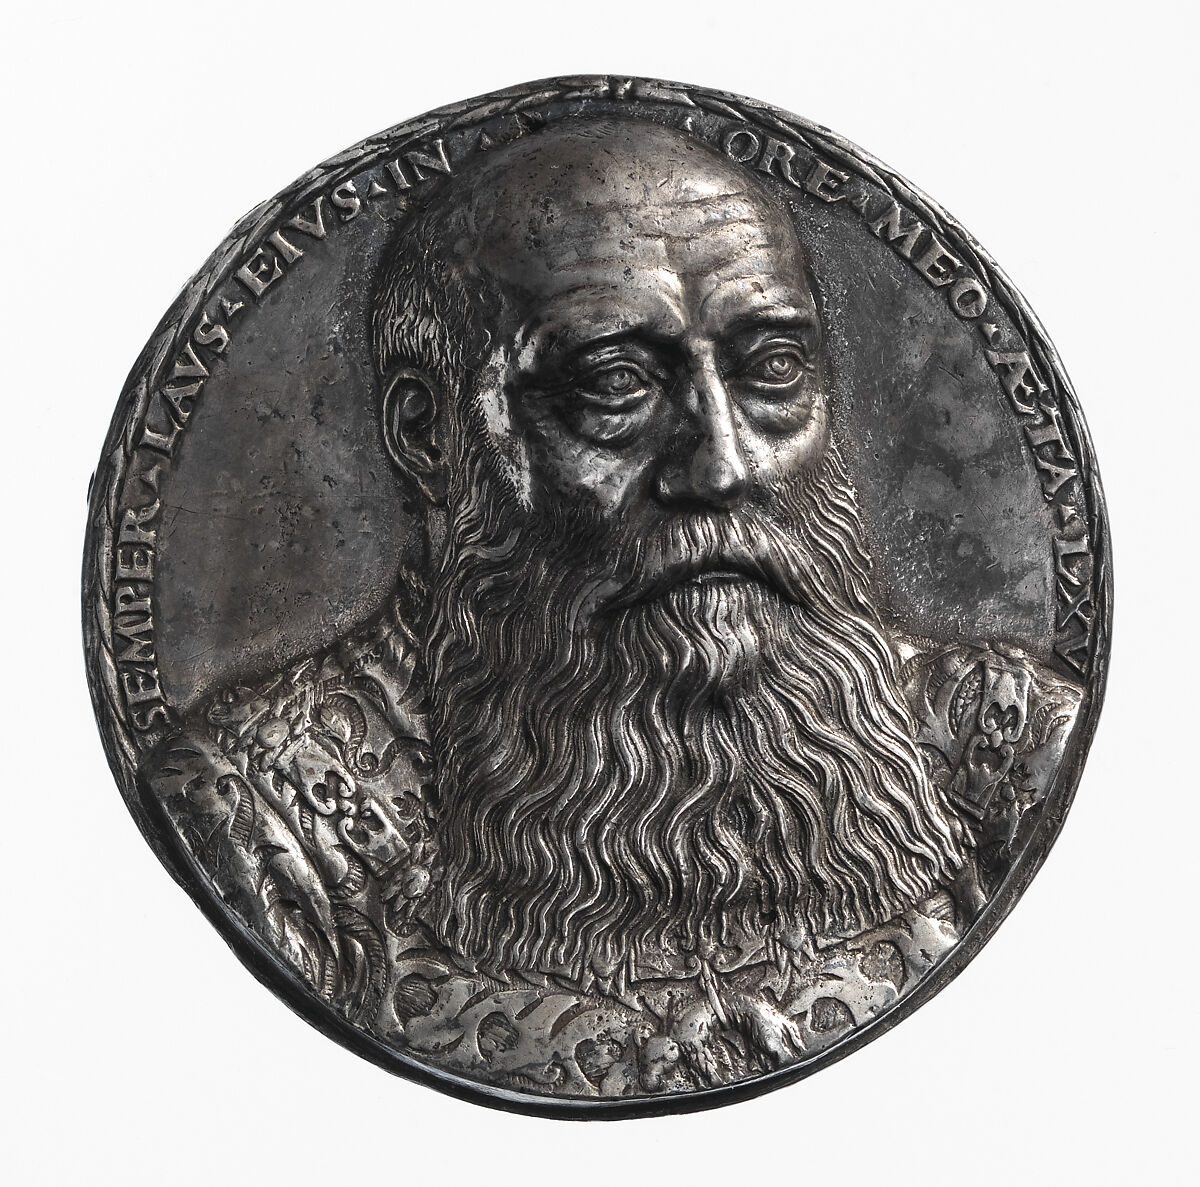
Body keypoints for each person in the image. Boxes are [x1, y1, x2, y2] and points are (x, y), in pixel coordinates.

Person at [144, 119, 1080, 1095]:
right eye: (614, 383)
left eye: (771, 372)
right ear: (429, 435)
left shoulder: (1004, 752)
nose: (723, 465)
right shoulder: (265, 823)